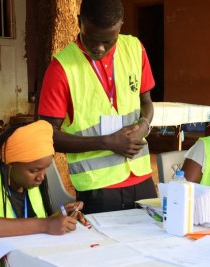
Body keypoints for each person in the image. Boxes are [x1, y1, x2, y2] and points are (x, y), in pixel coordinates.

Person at [38, 0, 157, 214]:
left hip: (142, 176)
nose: (99, 48)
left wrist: (143, 126)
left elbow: (146, 103)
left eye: (108, 41)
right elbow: (46, 135)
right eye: (91, 39)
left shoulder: (135, 49)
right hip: (97, 187)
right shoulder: (60, 68)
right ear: (79, 22)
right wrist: (105, 142)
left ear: (121, 25)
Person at [0, 120, 81, 237]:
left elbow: (28, 224)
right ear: (10, 165)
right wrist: (45, 225)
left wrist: (59, 216)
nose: (41, 176)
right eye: (34, 171)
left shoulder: (31, 183)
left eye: (45, 169)